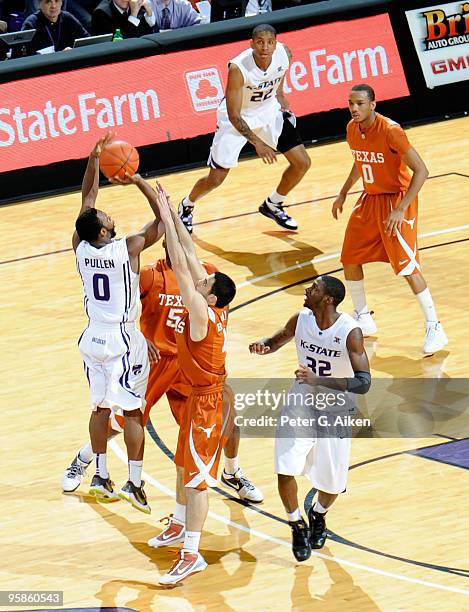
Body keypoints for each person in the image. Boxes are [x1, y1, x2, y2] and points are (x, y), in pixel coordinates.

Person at [62, 240, 263, 518]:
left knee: (222, 422)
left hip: (191, 362)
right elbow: (124, 310)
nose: (176, 246)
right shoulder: (149, 274)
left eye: (181, 241)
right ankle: (84, 459)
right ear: (165, 245)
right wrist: (142, 339)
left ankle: (232, 471)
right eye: (171, 242)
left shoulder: (207, 275)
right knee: (125, 420)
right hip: (158, 360)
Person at [249, 275, 370, 561]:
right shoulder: (301, 319)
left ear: (328, 299)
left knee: (332, 484)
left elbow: (363, 382)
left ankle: (318, 514)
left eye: (314, 288)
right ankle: (296, 524)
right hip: (300, 403)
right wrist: (264, 345)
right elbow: (277, 340)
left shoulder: (349, 331)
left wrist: (322, 380)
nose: (307, 289)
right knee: (285, 466)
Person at [73, 133, 162, 514]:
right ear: (105, 232)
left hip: (91, 336)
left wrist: (94, 159)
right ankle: (135, 483)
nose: (109, 215)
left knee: (98, 409)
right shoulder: (127, 248)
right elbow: (162, 221)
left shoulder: (79, 243)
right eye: (107, 219)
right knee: (132, 412)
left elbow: (86, 203)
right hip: (122, 339)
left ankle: (101, 475)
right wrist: (139, 180)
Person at [154, 183, 236, 585]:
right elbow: (188, 254)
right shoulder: (213, 302)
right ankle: (178, 524)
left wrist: (167, 217)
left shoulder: (202, 315)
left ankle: (192, 552)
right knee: (182, 464)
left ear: (212, 298)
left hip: (207, 403)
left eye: (206, 283)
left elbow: (183, 267)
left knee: (198, 478)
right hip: (197, 397)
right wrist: (170, 210)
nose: (201, 280)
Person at [332, 83, 448, 354]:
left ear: (373, 105)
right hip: (370, 200)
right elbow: (361, 162)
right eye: (351, 103)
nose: (354, 108)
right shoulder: (352, 129)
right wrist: (342, 192)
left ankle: (435, 326)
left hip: (397, 200)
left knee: (407, 268)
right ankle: (363, 317)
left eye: (360, 103)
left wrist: (401, 209)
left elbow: (422, 171)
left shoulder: (391, 131)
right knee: (350, 257)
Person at [178, 23, 311, 234]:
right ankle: (186, 206)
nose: (265, 47)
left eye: (269, 42)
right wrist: (257, 142)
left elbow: (282, 70)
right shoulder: (238, 68)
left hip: (268, 113)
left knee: (302, 163)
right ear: (251, 44)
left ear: (276, 43)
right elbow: (234, 115)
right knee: (216, 178)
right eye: (260, 42)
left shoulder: (284, 53)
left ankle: (273, 204)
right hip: (237, 119)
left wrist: (279, 92)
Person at [19, 0, 88, 55]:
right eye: (48, 1)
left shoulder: (68, 18)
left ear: (62, 2)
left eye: (57, 1)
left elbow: (87, 41)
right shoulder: (31, 24)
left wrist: (74, 50)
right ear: (39, 4)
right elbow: (22, 55)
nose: (53, 6)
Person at [91, 0, 156, 38]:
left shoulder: (138, 5)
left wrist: (149, 14)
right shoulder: (101, 13)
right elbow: (123, 43)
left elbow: (153, 36)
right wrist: (133, 15)